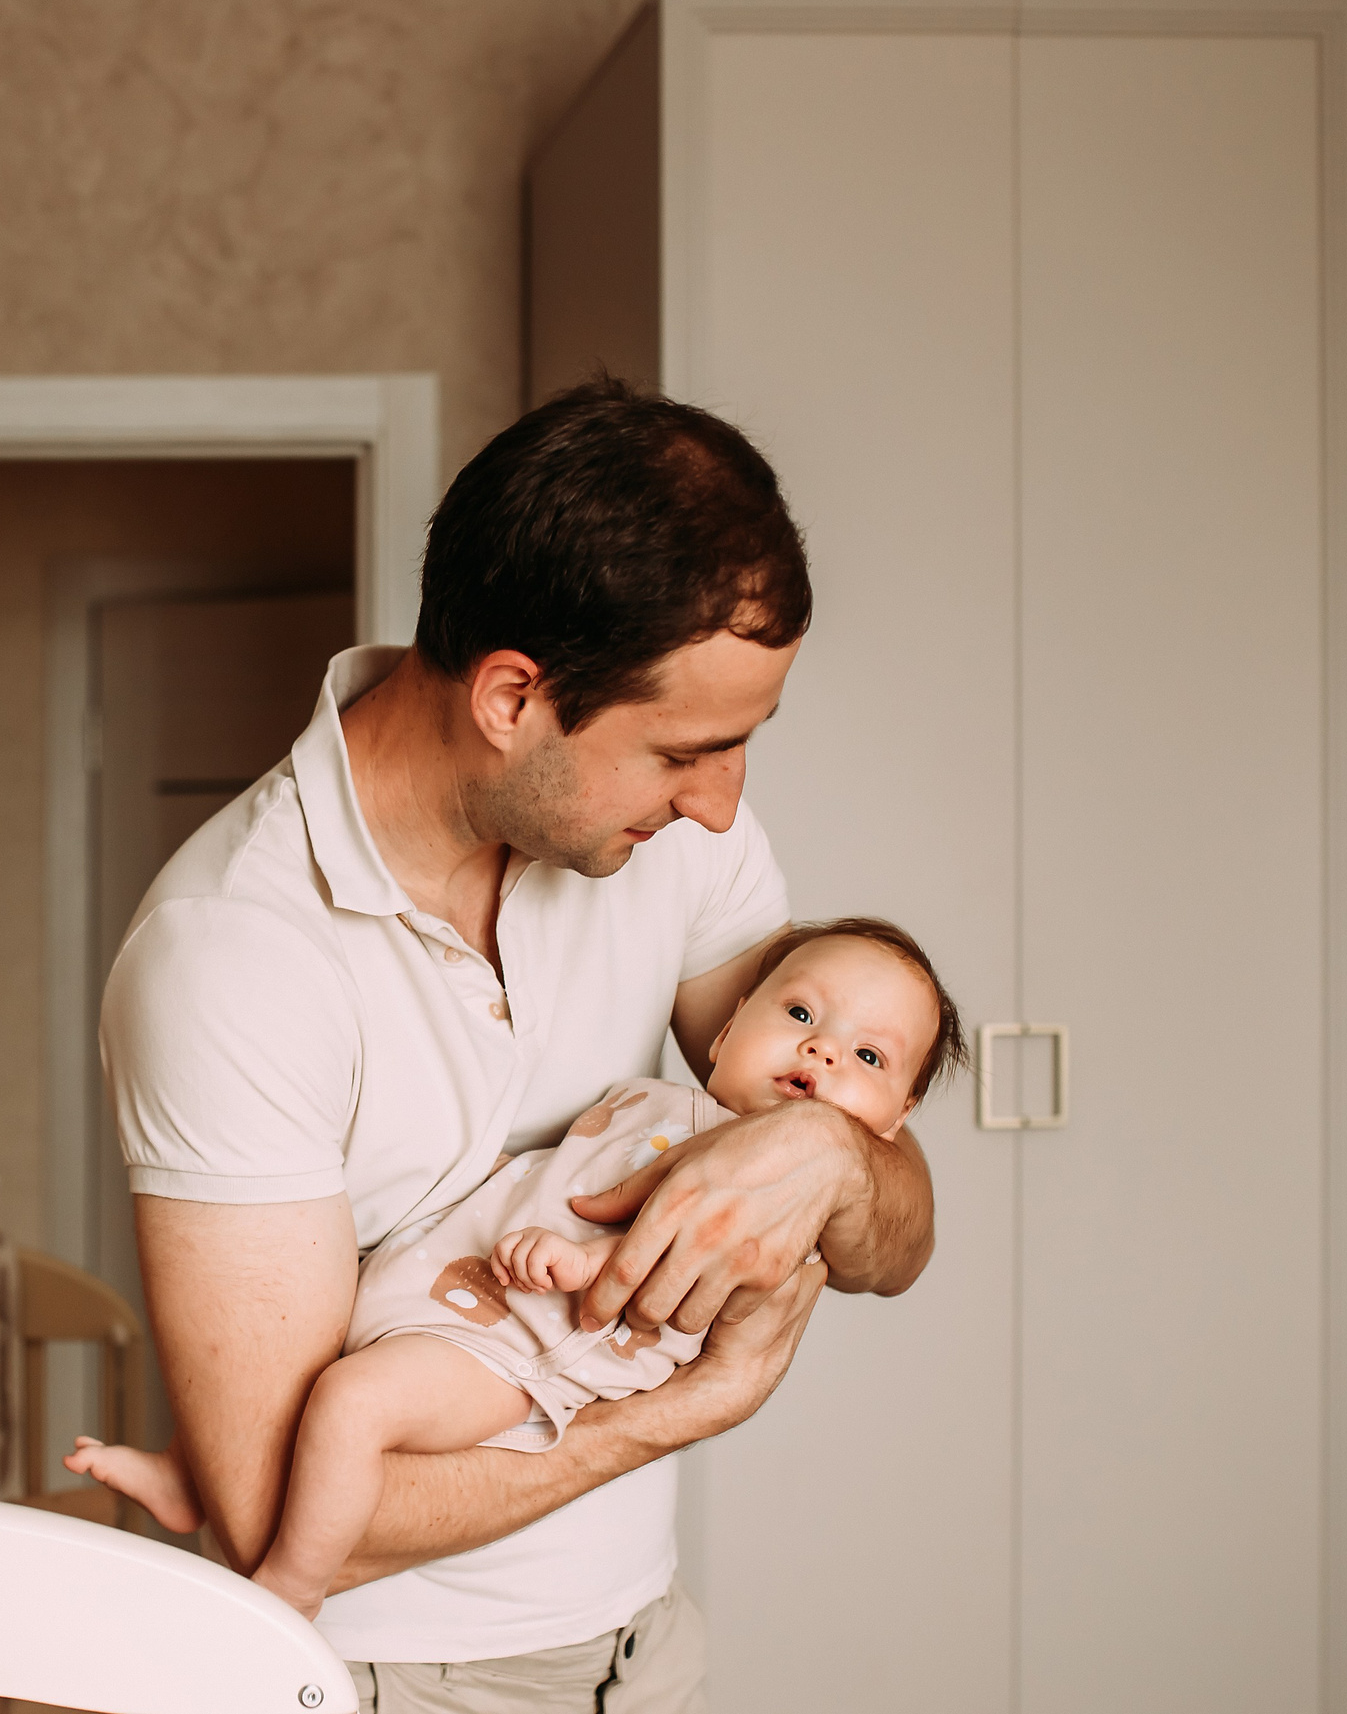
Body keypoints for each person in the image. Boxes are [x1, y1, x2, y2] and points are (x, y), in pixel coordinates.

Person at [98, 379, 937, 1711]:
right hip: (385, 1676)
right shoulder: (232, 958)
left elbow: (886, 1223)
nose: (722, 806)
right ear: (510, 696)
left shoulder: (672, 848)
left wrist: (832, 1156)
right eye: (689, 751)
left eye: (744, 746)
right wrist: (682, 1409)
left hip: (638, 1647)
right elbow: (279, 1519)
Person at [72, 918, 966, 1621]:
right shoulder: (677, 1104)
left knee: (349, 1405)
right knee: (290, 1353)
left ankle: (293, 1587)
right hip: (456, 1285)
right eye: (802, 1016)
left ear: (894, 1120)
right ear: (731, 1026)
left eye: (868, 1058)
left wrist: (580, 1260)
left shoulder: (768, 1199)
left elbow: (675, 1263)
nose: (820, 1053)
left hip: (522, 1343)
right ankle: (191, 1475)